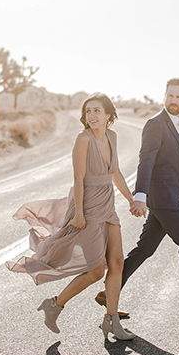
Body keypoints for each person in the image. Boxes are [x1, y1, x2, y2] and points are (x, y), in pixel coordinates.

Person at [7, 93, 138, 341]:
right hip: (87, 207)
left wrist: (131, 199)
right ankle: (55, 304)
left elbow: (116, 172)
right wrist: (78, 213)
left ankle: (112, 321)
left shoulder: (112, 136)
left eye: (97, 111)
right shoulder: (83, 139)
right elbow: (78, 179)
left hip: (108, 205)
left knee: (117, 262)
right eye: (88, 112)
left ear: (109, 114)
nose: (92, 116)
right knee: (96, 270)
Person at [97, 78, 179, 322]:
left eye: (178, 97)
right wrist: (140, 195)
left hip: (170, 196)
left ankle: (108, 292)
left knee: (146, 248)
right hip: (163, 199)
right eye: (170, 95)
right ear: (164, 97)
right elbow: (146, 159)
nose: (173, 100)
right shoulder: (155, 124)